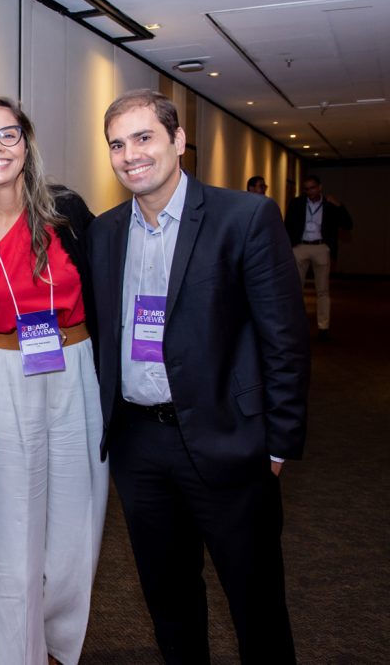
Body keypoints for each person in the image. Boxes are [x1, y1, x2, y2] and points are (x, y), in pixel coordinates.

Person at [87, 89, 310, 664]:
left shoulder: (245, 218)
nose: (130, 154)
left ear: (177, 141)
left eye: (144, 138)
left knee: (255, 601)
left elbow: (283, 338)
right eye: (117, 143)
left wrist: (280, 440)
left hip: (229, 437)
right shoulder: (106, 232)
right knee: (170, 601)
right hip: (141, 445)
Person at [0, 97, 108, 665]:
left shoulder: (65, 212)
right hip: (4, 382)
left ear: (26, 142)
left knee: (74, 537)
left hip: (76, 373)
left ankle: (60, 646)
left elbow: (104, 301)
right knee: (13, 542)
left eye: (7, 135)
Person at [285, 174, 354, 340]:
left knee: (322, 291)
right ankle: (296, 325)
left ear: (320, 187)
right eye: (307, 189)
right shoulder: (297, 203)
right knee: (296, 289)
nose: (310, 191)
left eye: (313, 188)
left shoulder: (330, 204)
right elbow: (287, 226)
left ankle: (323, 327)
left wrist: (339, 206)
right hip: (300, 247)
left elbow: (348, 224)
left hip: (321, 247)